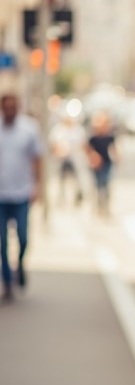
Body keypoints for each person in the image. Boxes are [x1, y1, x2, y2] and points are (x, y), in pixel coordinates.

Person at [0, 94, 44, 299]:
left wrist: (38, 186)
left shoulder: (29, 128)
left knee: (23, 237)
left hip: (22, 193)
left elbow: (37, 158)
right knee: (2, 241)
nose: (10, 111)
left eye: (13, 107)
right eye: (6, 107)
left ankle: (19, 265)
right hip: (1, 195)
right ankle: (7, 281)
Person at [48, 112, 87, 207]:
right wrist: (59, 151)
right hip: (61, 159)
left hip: (75, 159)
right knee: (61, 180)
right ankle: (61, 200)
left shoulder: (78, 130)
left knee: (76, 180)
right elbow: (53, 145)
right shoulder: (58, 130)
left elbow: (83, 145)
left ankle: (77, 198)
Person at [86, 111, 118, 218]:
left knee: (106, 185)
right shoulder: (93, 138)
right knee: (98, 186)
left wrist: (117, 158)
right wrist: (93, 157)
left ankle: (106, 207)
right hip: (96, 165)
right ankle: (98, 207)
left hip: (107, 163)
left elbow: (113, 149)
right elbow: (88, 149)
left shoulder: (109, 137)